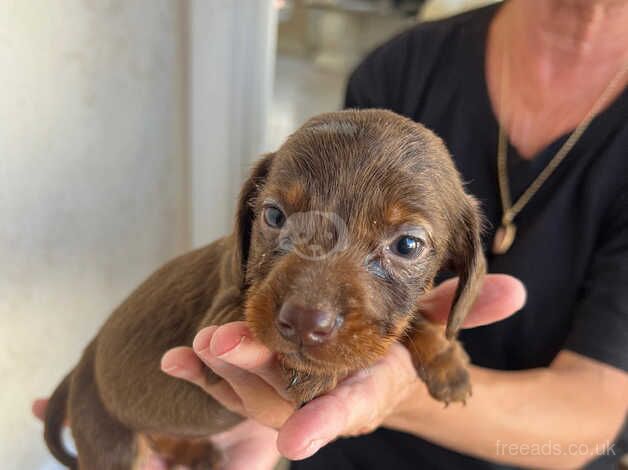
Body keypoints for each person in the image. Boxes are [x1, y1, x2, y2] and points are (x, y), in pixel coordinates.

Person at [35, 0, 628, 468]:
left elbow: (590, 425)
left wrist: (420, 362)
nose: (308, 308)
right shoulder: (404, 64)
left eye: (404, 245)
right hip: (317, 453)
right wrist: (264, 441)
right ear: (247, 218)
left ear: (463, 263)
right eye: (277, 220)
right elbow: (241, 358)